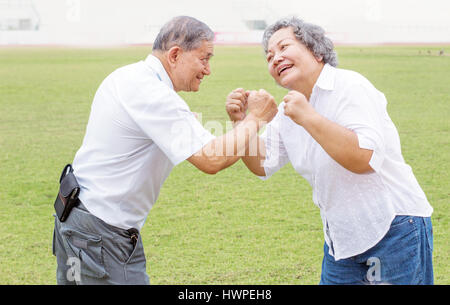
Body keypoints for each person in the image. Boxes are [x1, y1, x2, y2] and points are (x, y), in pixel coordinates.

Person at [52, 16, 278, 285]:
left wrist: (239, 122)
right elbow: (212, 159)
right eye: (204, 58)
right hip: (101, 235)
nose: (208, 70)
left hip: (76, 222)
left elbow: (207, 146)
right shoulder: (153, 92)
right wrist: (257, 118)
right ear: (174, 54)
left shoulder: (129, 76)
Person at [226, 17, 434, 285]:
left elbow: (365, 158)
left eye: (283, 47)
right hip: (342, 240)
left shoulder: (349, 86)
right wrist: (243, 122)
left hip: (393, 227)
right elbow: (262, 163)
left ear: (316, 50)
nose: (275, 59)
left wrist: (308, 117)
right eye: (269, 56)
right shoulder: (290, 108)